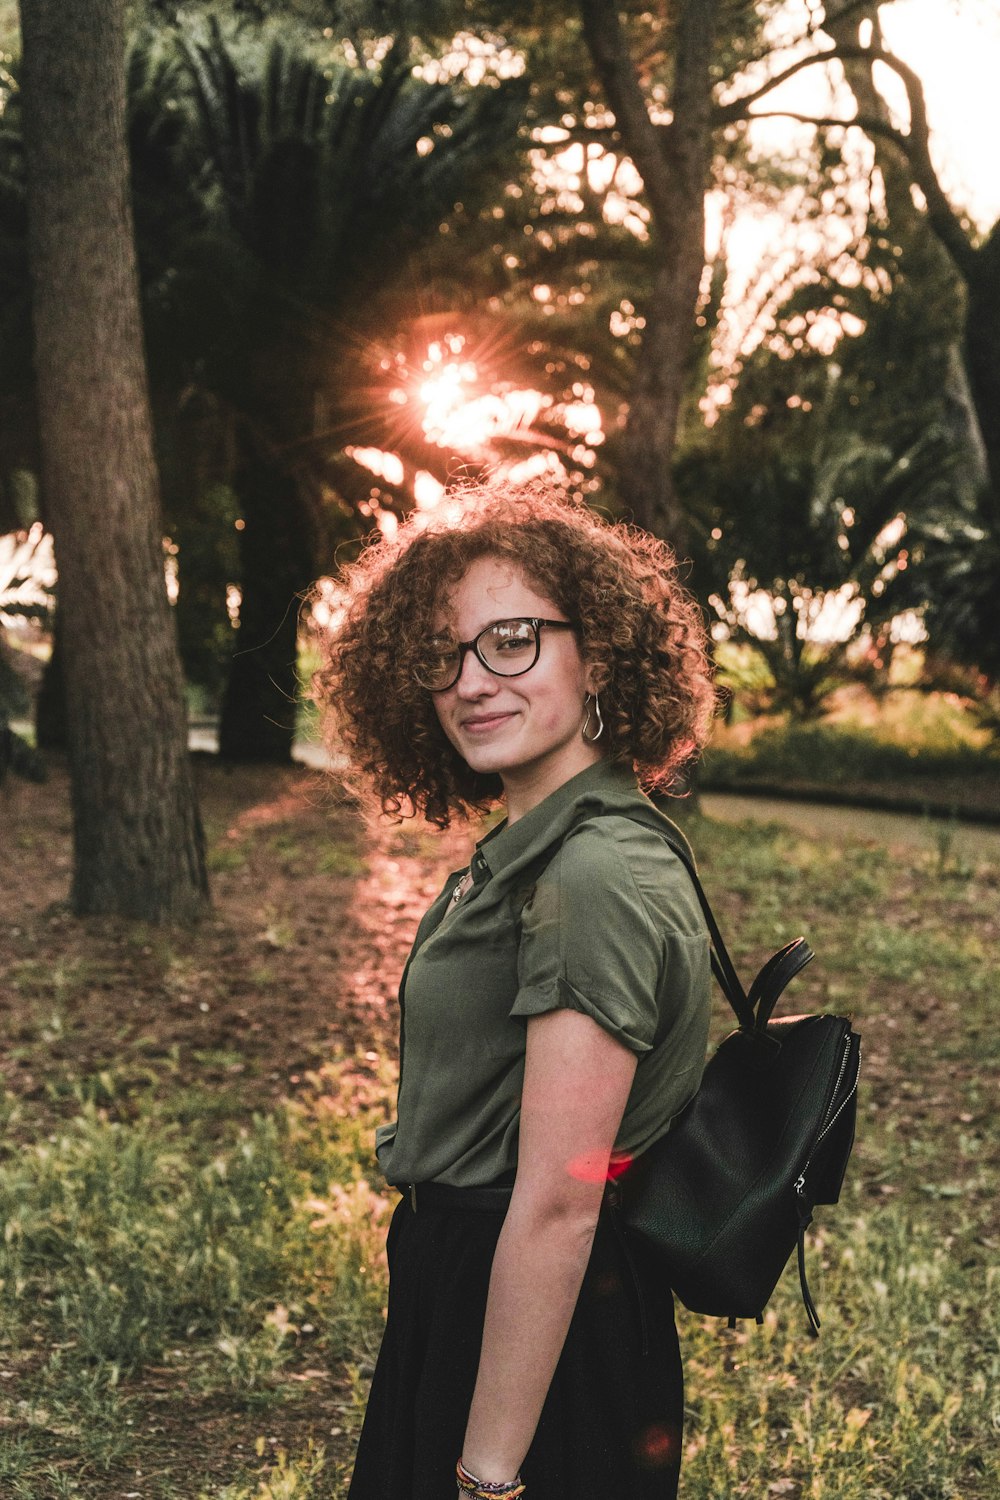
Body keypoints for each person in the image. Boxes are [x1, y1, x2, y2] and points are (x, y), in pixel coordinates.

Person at [314, 478, 717, 1500]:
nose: (471, 681)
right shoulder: (537, 853)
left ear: (600, 659)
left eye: (512, 641)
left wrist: (488, 1475)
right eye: (444, 655)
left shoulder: (592, 877)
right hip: (471, 1297)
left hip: (546, 1326)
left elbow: (555, 1210)